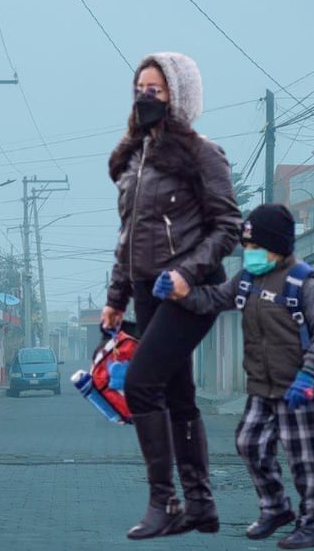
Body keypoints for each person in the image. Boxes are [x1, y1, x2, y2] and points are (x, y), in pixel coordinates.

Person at [102, 52, 241, 540]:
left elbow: (228, 226)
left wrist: (186, 272)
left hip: (189, 292)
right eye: (139, 88)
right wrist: (116, 297)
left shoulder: (202, 154)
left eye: (155, 89)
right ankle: (201, 506)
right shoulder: (135, 159)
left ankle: (164, 501)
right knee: (179, 396)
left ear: (178, 96)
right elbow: (128, 236)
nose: (145, 97)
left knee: (141, 384)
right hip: (145, 292)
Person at [159, 203, 314, 549]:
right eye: (247, 246)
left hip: (298, 386)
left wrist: (308, 375)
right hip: (261, 386)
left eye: (256, 246)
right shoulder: (248, 278)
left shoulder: (304, 282)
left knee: (305, 458)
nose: (250, 252)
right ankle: (275, 508)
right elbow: (214, 299)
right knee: (248, 443)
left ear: (278, 245)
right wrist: (182, 294)